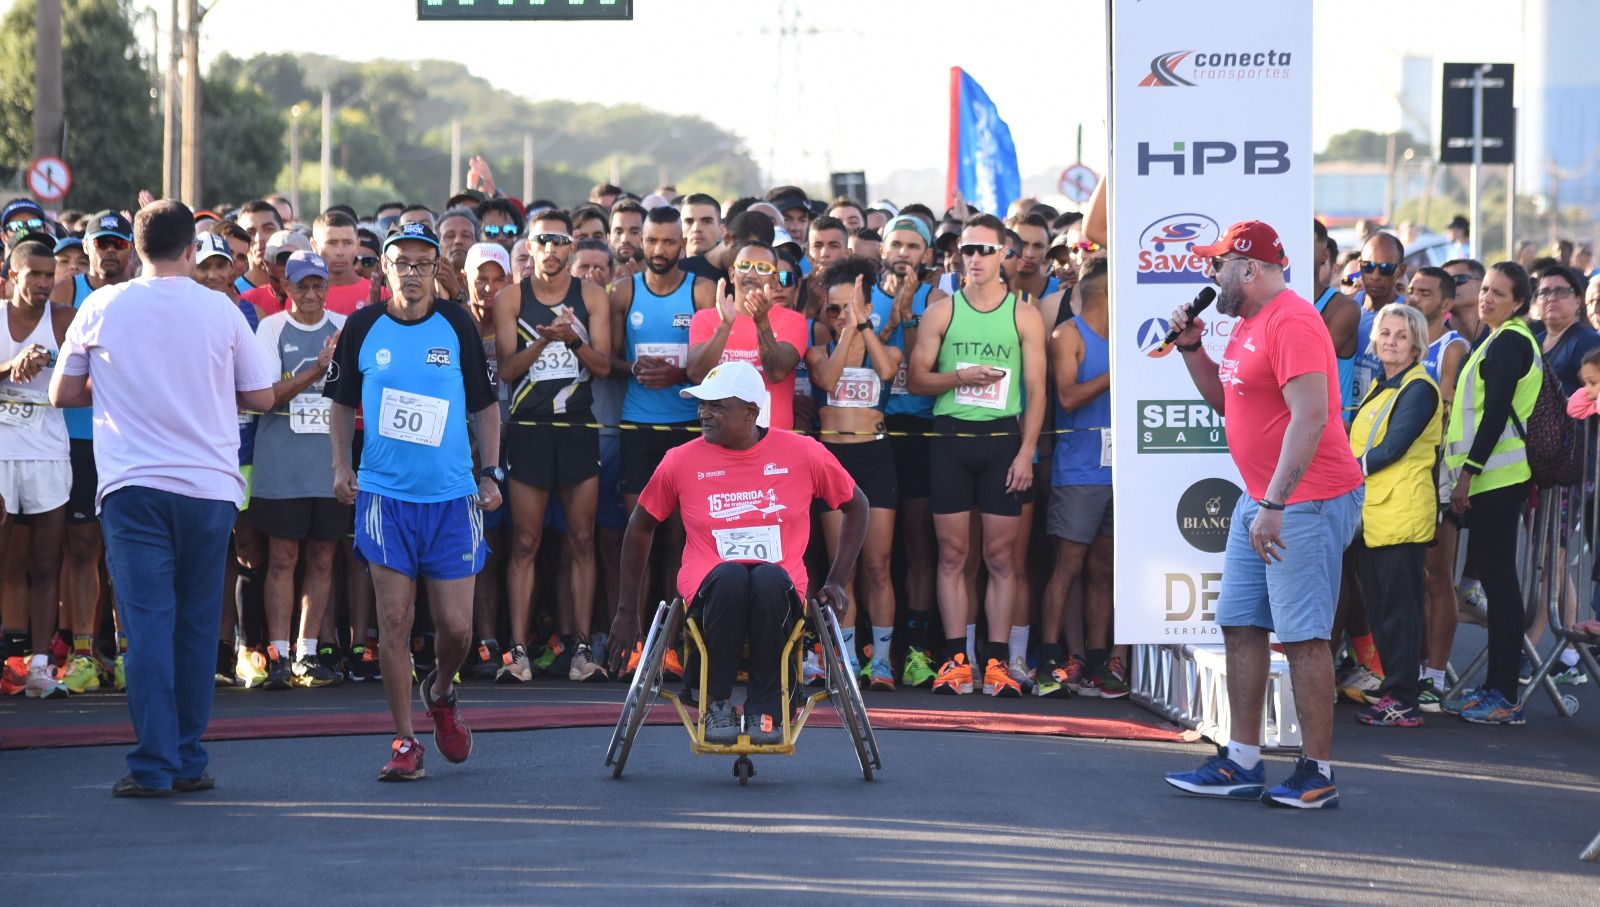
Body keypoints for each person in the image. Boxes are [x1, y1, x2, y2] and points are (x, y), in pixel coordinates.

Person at [50, 200, 275, 797]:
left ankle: (152, 765)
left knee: (147, 628)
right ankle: (188, 758)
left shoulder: (101, 304)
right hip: (208, 487)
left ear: (136, 250)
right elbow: (260, 395)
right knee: (197, 626)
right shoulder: (223, 309)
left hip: (132, 488)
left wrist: (117, 384)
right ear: (192, 250)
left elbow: (61, 391)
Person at [1162, 220, 1364, 809]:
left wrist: (1275, 502)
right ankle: (1243, 761)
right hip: (1266, 495)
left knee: (1302, 636)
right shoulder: (1250, 323)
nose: (1209, 273)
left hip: (1304, 497)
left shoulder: (1294, 320)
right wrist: (1192, 348)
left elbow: (1311, 416)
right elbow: (1229, 403)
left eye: (1217, 264)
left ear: (1249, 268)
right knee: (1241, 623)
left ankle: (1317, 772)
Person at [603, 361, 867, 745]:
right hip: (710, 591)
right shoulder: (680, 459)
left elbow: (857, 505)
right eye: (701, 405)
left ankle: (767, 708)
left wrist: (837, 581)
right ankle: (716, 703)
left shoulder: (802, 452)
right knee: (729, 577)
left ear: (750, 412)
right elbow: (640, 526)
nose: (703, 414)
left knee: (766, 577)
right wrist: (627, 611)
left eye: (715, 406)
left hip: (779, 589)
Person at [325, 221, 502, 781]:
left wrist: (490, 472)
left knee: (456, 629)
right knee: (394, 621)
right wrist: (340, 465)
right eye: (402, 262)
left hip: (451, 498)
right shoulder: (362, 327)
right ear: (386, 269)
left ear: (436, 270)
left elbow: (485, 406)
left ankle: (442, 690)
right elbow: (338, 404)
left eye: (423, 263)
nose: (413, 273)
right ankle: (404, 741)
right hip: (384, 496)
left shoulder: (456, 326)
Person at [907, 213, 1047, 698]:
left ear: (1004, 254)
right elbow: (916, 379)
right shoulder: (941, 311)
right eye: (968, 250)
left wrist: (1027, 452)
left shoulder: (1023, 314)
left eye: (985, 250)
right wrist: (960, 379)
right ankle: (955, 660)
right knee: (952, 554)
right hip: (951, 440)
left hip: (1002, 442)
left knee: (1001, 556)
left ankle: (998, 662)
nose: (975, 259)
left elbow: (1036, 391)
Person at [494, 210, 613, 684]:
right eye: (541, 240)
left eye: (559, 241)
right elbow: (505, 371)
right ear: (531, 246)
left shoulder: (591, 297)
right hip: (527, 427)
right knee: (524, 542)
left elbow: (603, 366)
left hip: (578, 428)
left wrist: (574, 340)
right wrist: (545, 344)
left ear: (571, 247)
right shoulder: (510, 299)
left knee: (582, 540)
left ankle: (582, 647)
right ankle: (518, 650)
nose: (550, 249)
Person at [1444, 262, 1543, 725]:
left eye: (1499, 294)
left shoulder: (1509, 342)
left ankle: (1504, 695)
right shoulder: (1501, 338)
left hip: (1498, 480)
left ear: (1519, 302)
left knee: (1501, 588)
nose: (1486, 298)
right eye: (1484, 289)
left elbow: (1495, 414)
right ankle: (1494, 690)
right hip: (1493, 479)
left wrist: (1468, 474)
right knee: (1499, 585)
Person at [251, 251, 347, 690]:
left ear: (327, 286)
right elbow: (268, 395)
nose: (310, 294)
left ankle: (308, 652)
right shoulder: (271, 329)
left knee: (324, 556)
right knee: (282, 557)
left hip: (329, 465)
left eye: (317, 285)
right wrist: (315, 372)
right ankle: (278, 654)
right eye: (301, 286)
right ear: (286, 288)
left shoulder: (344, 328)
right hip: (282, 463)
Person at [805, 257, 901, 688]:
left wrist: (863, 328)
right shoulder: (819, 351)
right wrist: (845, 333)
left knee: (878, 564)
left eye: (851, 306)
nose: (842, 315)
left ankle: (880, 659)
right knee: (841, 567)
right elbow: (826, 380)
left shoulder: (888, 346)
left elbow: (887, 371)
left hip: (875, 459)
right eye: (833, 309)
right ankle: (842, 656)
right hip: (833, 461)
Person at [52, 210, 135, 691]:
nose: (109, 252)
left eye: (117, 244)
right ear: (87, 249)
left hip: (126, 439)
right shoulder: (70, 292)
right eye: (101, 244)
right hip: (79, 438)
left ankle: (127, 651)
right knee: (82, 549)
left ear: (131, 250)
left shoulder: (138, 295)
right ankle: (83, 652)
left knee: (122, 552)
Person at [1349, 303, 1442, 728]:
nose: (1390, 340)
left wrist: (1344, 471)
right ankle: (1393, 691)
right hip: (1374, 515)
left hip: (1401, 515)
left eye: (1401, 335)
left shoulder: (1419, 388)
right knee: (1380, 608)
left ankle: (1402, 696)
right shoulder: (1383, 385)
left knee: (1399, 612)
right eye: (1384, 333)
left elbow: (1393, 448)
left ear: (1417, 344)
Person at [1039, 257, 1117, 699]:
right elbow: (1067, 396)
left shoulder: (1126, 337)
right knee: (1067, 567)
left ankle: (1098, 660)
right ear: (1105, 295)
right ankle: (1050, 657)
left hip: (1119, 469)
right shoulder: (1067, 335)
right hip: (1079, 469)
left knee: (1103, 570)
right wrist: (1118, 373)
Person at [0, 240, 75, 698]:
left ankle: (41, 666)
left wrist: (52, 358)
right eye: (35, 276)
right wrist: (13, 364)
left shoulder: (64, 320)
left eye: (50, 275)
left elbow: (91, 372)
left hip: (48, 448)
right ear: (12, 276)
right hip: (2, 450)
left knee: (47, 560)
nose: (45, 284)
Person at [874, 215, 943, 688]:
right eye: (895, 243)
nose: (903, 252)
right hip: (871, 430)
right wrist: (889, 317)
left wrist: (910, 314)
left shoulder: (937, 299)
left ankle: (916, 647)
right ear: (882, 250)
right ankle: (869, 647)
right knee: (873, 550)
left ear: (928, 256)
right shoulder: (862, 293)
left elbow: (926, 366)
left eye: (913, 245)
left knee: (918, 543)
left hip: (920, 429)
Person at [1407, 266, 1469, 710]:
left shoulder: (1452, 347)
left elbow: (1443, 412)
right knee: (1404, 576)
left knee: (1435, 574)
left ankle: (1434, 675)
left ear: (1445, 305)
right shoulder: (1399, 341)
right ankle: (1406, 666)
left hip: (1434, 473)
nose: (1414, 297)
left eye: (1424, 293)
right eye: (1410, 290)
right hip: (1397, 475)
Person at [687, 240, 809, 430]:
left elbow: (776, 372)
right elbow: (696, 375)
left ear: (775, 280)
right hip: (720, 439)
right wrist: (725, 325)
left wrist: (761, 322)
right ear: (732, 274)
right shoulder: (705, 318)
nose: (751, 274)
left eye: (762, 268)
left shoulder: (793, 321)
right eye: (744, 266)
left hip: (773, 440)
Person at [1532, 265, 1600, 396]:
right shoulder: (1534, 341)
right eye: (1544, 293)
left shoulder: (1587, 343)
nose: (1551, 298)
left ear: (1578, 301)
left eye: (1561, 292)